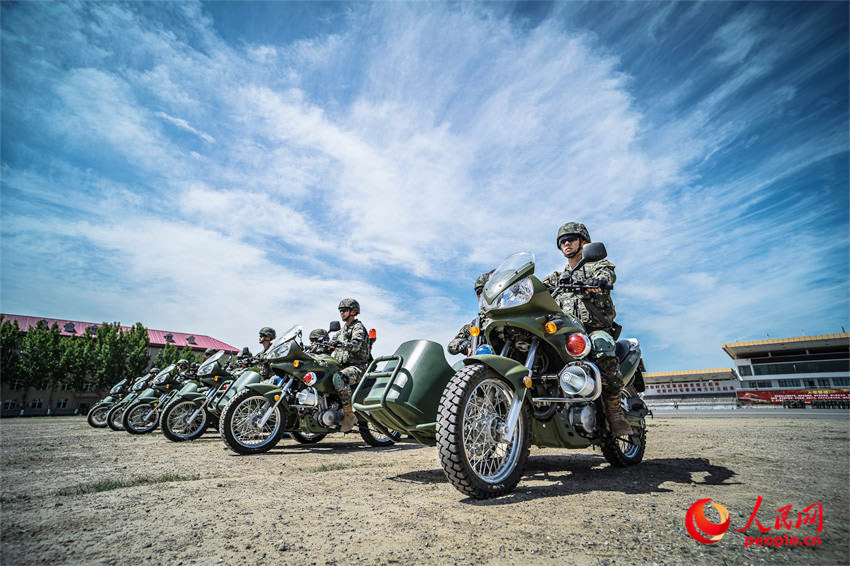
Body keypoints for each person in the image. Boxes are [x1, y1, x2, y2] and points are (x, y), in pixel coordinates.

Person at [542, 222, 631, 437]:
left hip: (593, 329)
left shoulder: (597, 265)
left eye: (570, 239)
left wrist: (599, 281)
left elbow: (608, 274)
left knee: (602, 346)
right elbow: (537, 287)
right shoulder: (557, 276)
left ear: (584, 241)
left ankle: (614, 409)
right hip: (565, 332)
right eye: (562, 241)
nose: (566, 243)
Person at [331, 298, 371, 432]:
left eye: (344, 310)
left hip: (358, 367)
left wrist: (341, 344)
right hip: (342, 366)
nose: (341, 313)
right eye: (340, 311)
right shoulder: (341, 332)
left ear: (353, 311)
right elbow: (330, 344)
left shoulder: (358, 327)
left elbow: (356, 345)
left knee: (340, 378)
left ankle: (349, 415)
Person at [448, 272, 492, 356]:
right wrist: (466, 345)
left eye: (487, 290)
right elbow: (452, 345)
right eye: (479, 292)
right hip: (482, 365)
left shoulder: (513, 315)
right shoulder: (475, 324)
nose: (482, 295)